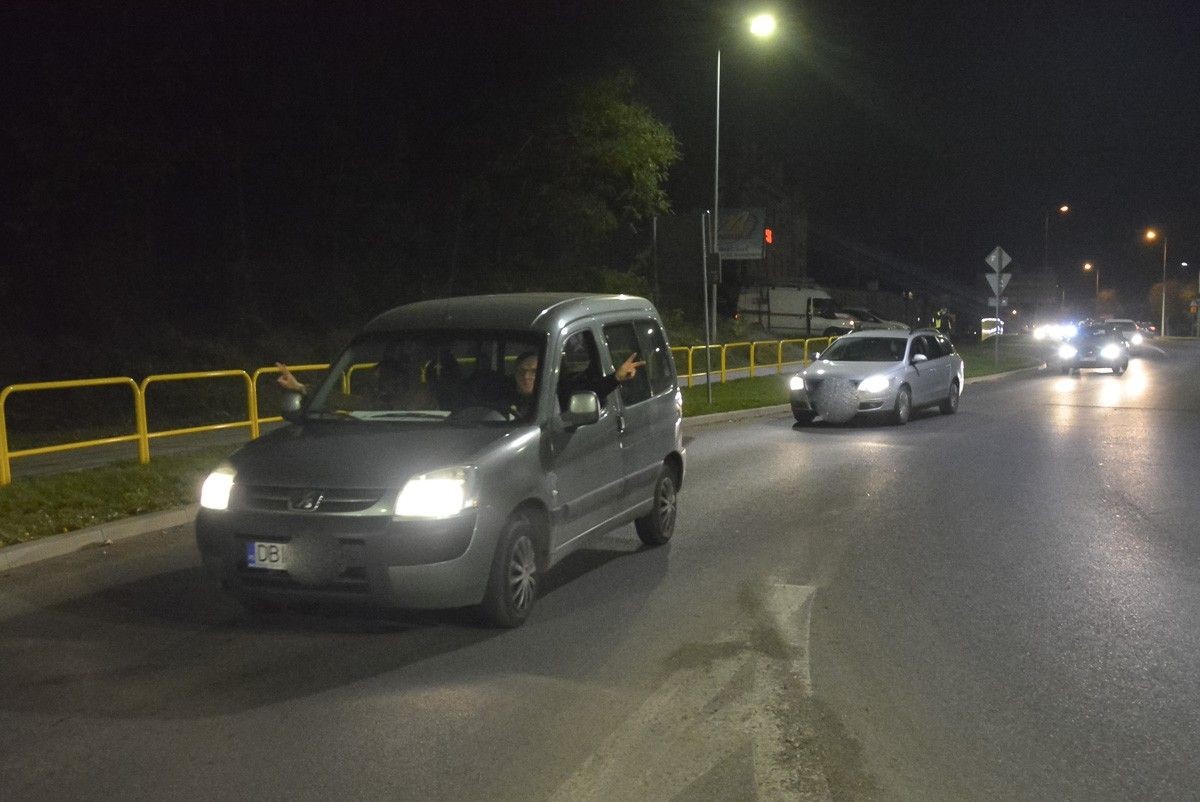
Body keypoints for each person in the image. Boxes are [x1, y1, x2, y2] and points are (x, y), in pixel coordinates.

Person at [499, 348, 645, 421]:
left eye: (534, 372)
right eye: (521, 371)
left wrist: (615, 378)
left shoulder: (557, 394)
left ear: (544, 374)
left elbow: (592, 391)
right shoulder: (503, 395)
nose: (526, 376)